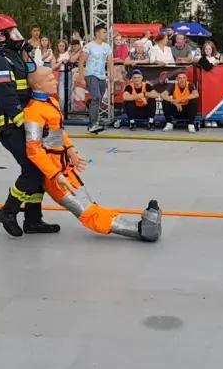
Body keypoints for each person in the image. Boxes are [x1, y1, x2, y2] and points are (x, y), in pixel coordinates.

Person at [24, 66, 162, 241]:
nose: (55, 80)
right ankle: (139, 230)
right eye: (49, 78)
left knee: (90, 205)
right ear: (37, 85)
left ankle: (136, 227)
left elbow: (58, 132)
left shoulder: (51, 103)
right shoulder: (34, 110)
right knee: (87, 212)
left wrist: (70, 149)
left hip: (64, 167)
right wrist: (55, 175)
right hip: (54, 174)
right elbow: (33, 149)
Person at [0, 13, 58, 237]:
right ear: (0, 38)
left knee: (41, 169)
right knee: (31, 170)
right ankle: (8, 211)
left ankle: (33, 220)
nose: (18, 36)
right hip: (12, 125)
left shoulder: (12, 57)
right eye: (12, 33)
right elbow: (5, 95)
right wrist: (25, 123)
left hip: (25, 123)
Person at [78, 26, 113, 134]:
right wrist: (81, 77)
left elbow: (110, 61)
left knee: (98, 100)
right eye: (103, 32)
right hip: (91, 74)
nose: (105, 35)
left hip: (102, 76)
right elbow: (81, 61)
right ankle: (92, 124)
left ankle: (94, 122)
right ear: (97, 33)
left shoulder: (107, 47)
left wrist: (111, 74)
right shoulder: (89, 46)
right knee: (97, 97)